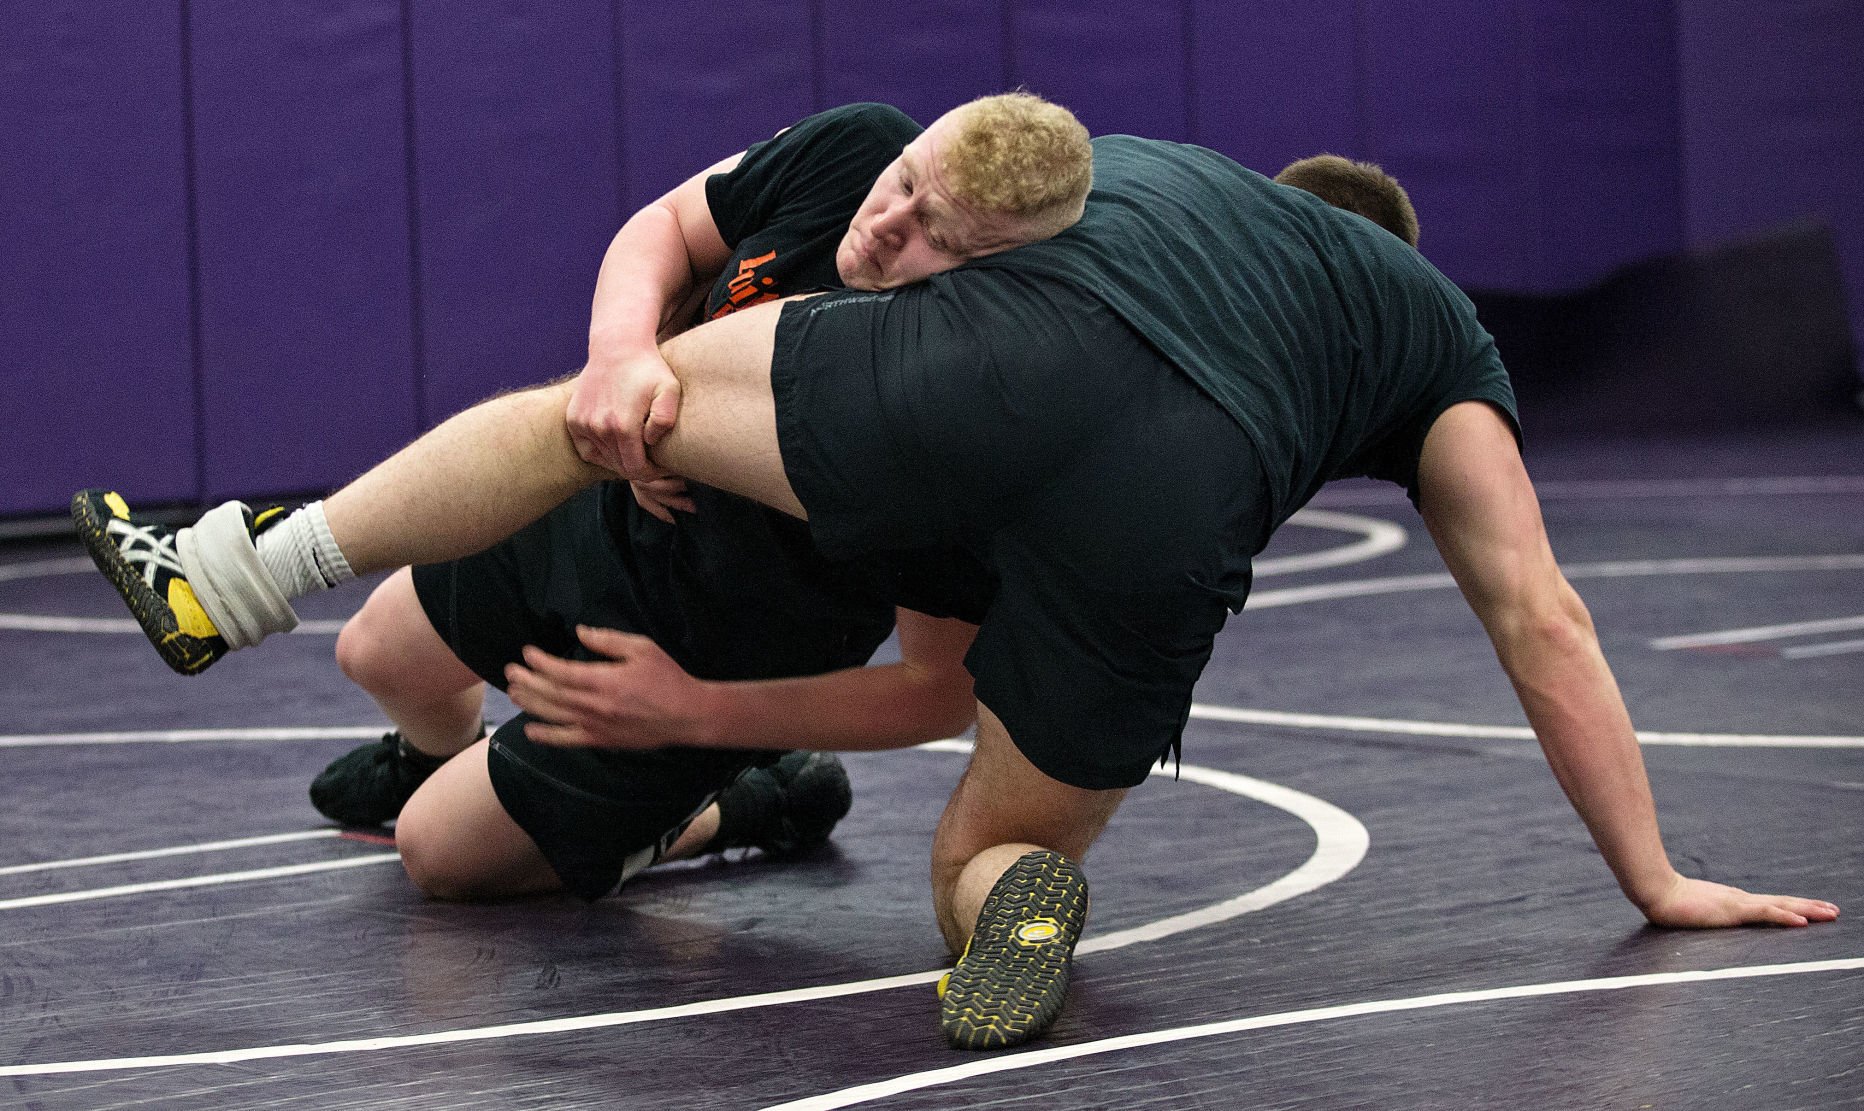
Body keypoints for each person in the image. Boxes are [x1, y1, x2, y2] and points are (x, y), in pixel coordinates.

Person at [75, 119, 1838, 1052]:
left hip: (1025, 359)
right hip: (1170, 513)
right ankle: (1010, 901)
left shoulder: (1164, 180)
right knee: (988, 844)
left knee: (608, 408)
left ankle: (239, 576)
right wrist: (1651, 872)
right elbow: (1537, 613)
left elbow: (965, 249)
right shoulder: (1419, 333)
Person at [80, 93, 1090, 905]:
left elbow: (936, 688)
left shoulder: (965, 415)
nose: (885, 228)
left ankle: (733, 804)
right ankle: (410, 737)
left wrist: (696, 714)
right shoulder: (855, 150)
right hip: (612, 507)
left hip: (716, 648)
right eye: (903, 186)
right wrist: (623, 357)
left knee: (440, 858)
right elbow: (666, 229)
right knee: (375, 652)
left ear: (996, 275)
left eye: (937, 237)